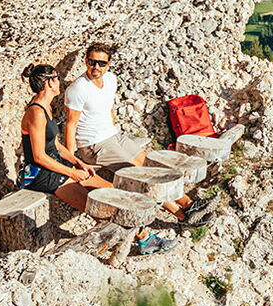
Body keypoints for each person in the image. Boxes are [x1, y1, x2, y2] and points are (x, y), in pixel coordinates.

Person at [63, 43, 219, 224]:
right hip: (94, 145)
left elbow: (108, 108)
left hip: (114, 136)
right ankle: (185, 214)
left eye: (101, 63)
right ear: (85, 61)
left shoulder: (111, 80)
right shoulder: (78, 89)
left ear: (109, 64)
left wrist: (114, 129)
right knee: (140, 176)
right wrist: (71, 160)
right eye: (92, 62)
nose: (96, 67)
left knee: (151, 166)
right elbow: (71, 124)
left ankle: (192, 205)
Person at [18, 65, 113, 210]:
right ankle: (138, 233)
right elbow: (39, 157)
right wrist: (72, 173)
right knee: (98, 208)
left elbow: (55, 145)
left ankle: (141, 232)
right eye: (57, 79)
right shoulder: (36, 113)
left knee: (111, 192)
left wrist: (78, 163)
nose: (59, 83)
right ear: (50, 83)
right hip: (43, 173)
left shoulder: (46, 107)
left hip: (57, 164)